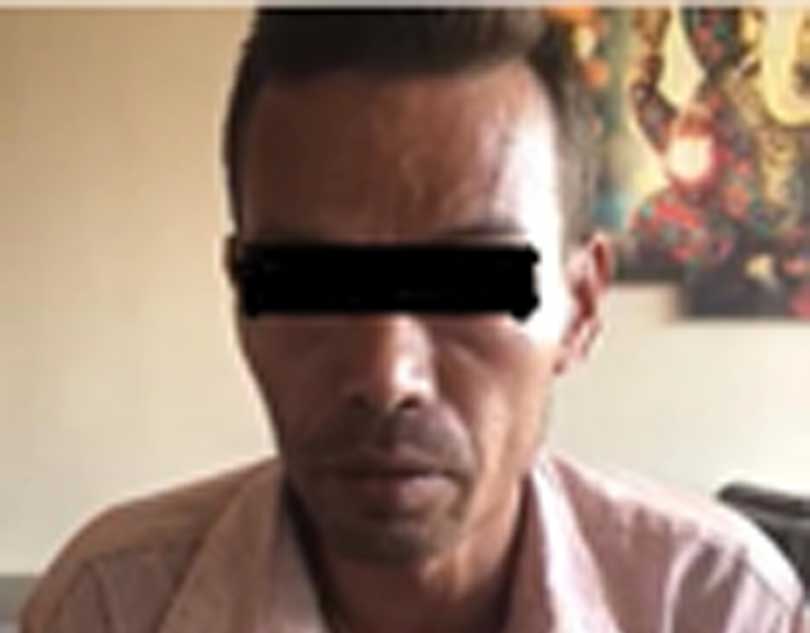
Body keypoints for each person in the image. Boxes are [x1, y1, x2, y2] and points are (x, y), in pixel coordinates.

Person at [21, 9, 807, 633]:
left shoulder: (720, 607)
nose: (385, 373)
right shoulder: (109, 608)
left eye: (466, 282)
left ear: (581, 306)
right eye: (311, 282)